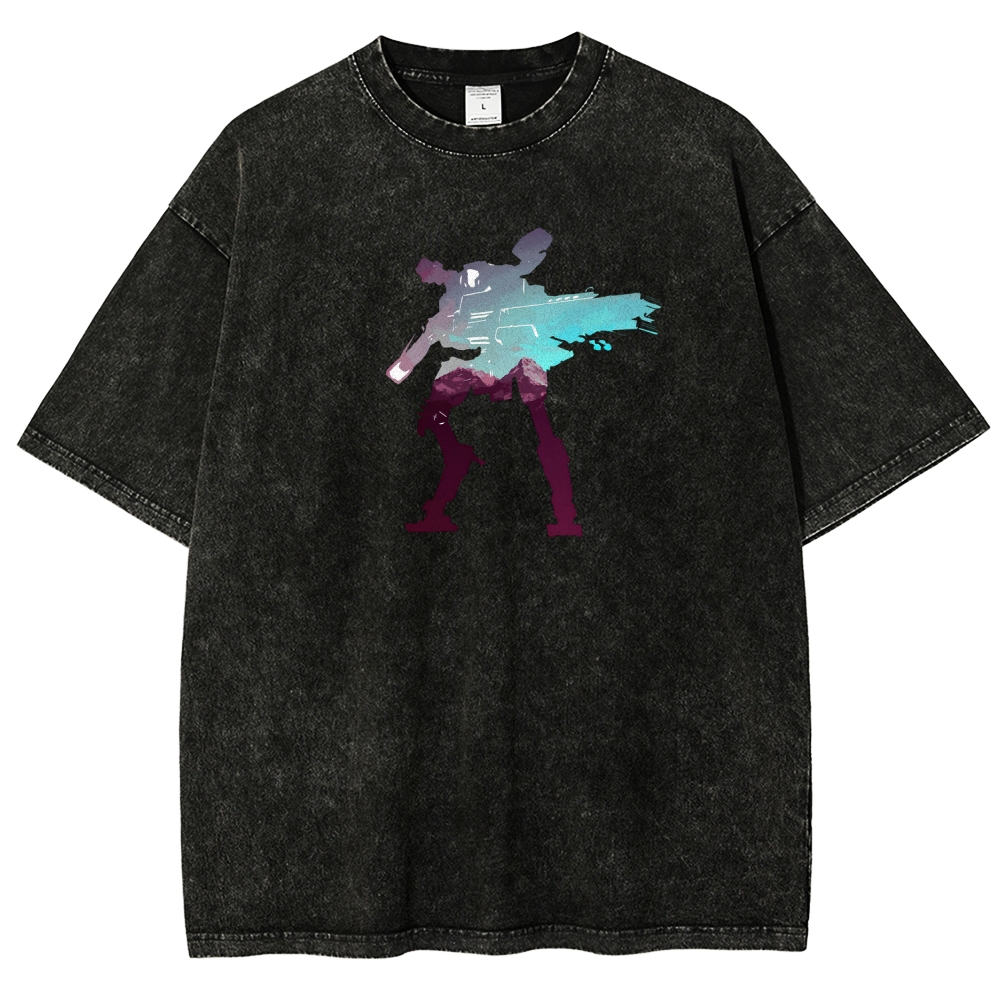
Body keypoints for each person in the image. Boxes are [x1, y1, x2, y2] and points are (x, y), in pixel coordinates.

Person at [386, 228, 659, 535]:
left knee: (541, 424)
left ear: (438, 265)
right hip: (485, 361)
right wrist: (409, 360)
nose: (429, 277)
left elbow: (516, 273)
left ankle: (565, 514)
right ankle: (451, 473)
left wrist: (527, 259)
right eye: (425, 275)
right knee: (436, 412)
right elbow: (433, 337)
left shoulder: (473, 275)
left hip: (519, 350)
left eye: (429, 270)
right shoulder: (447, 302)